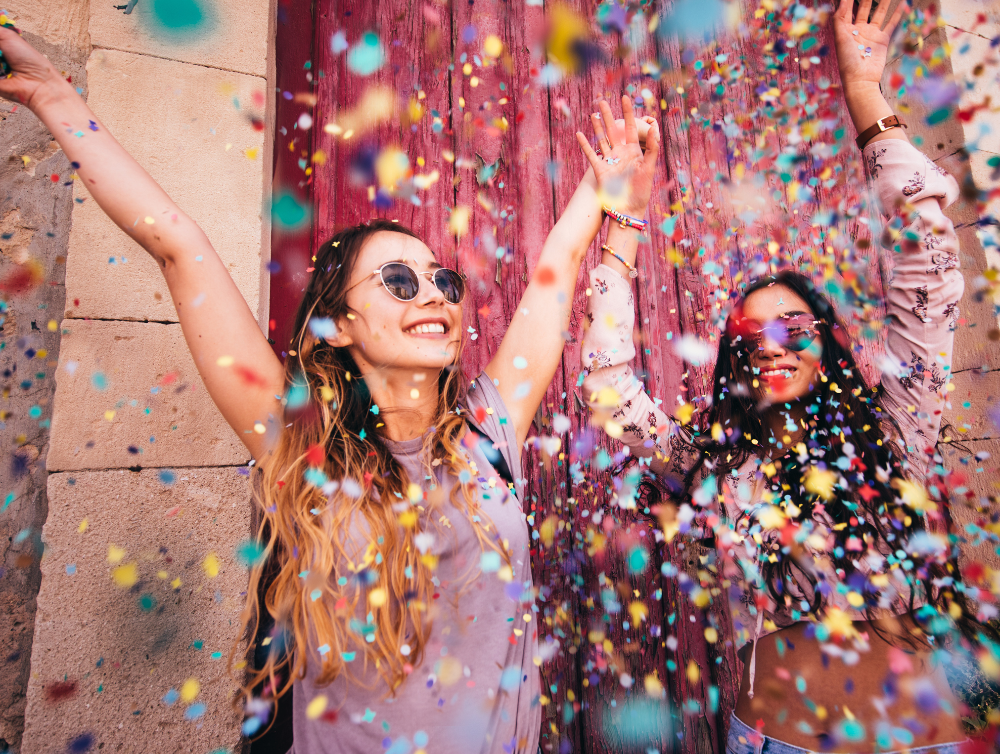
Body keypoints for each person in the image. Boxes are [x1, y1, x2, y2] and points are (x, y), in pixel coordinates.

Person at [0, 24, 661, 753]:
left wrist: (618, 206)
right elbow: (178, 245)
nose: (434, 296)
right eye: (399, 283)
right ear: (340, 325)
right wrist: (52, 94)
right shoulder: (298, 442)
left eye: (443, 281)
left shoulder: (489, 433)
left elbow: (562, 261)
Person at [580, 0, 985, 752]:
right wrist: (626, 221)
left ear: (825, 342)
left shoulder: (899, 434)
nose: (770, 345)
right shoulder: (716, 466)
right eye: (747, 332)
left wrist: (866, 93)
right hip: (771, 741)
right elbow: (607, 390)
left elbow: (930, 264)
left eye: (792, 327)